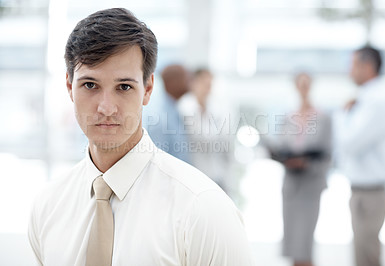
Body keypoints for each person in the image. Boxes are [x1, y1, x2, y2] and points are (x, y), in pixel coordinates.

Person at [28, 8, 253, 266]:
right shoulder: (47, 206)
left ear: (147, 89)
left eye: (124, 87)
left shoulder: (203, 209)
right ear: (69, 87)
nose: (106, 108)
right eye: (90, 85)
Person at [334, 46, 385, 266]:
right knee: (363, 254)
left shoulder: (377, 101)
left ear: (368, 66)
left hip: (370, 195)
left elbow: (349, 143)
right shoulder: (367, 99)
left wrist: (343, 114)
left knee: (367, 257)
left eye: (353, 65)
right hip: (363, 193)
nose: (349, 71)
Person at [265, 72, 332, 266]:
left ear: (311, 86)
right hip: (291, 185)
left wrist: (307, 163)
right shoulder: (288, 117)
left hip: (310, 185)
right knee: (293, 243)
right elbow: (281, 146)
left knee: (305, 242)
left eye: (306, 84)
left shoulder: (323, 117)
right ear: (296, 86)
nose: (303, 88)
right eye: (300, 84)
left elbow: (327, 153)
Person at [178, 68, 232, 192]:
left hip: (217, 174)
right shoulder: (185, 106)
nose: (208, 88)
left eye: (210, 84)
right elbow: (201, 137)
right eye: (205, 83)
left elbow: (224, 139)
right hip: (195, 174)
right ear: (193, 83)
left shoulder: (214, 107)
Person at [144, 64, 192, 163]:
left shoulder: (174, 110)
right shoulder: (160, 118)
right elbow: (158, 162)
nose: (190, 81)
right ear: (174, 82)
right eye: (187, 78)